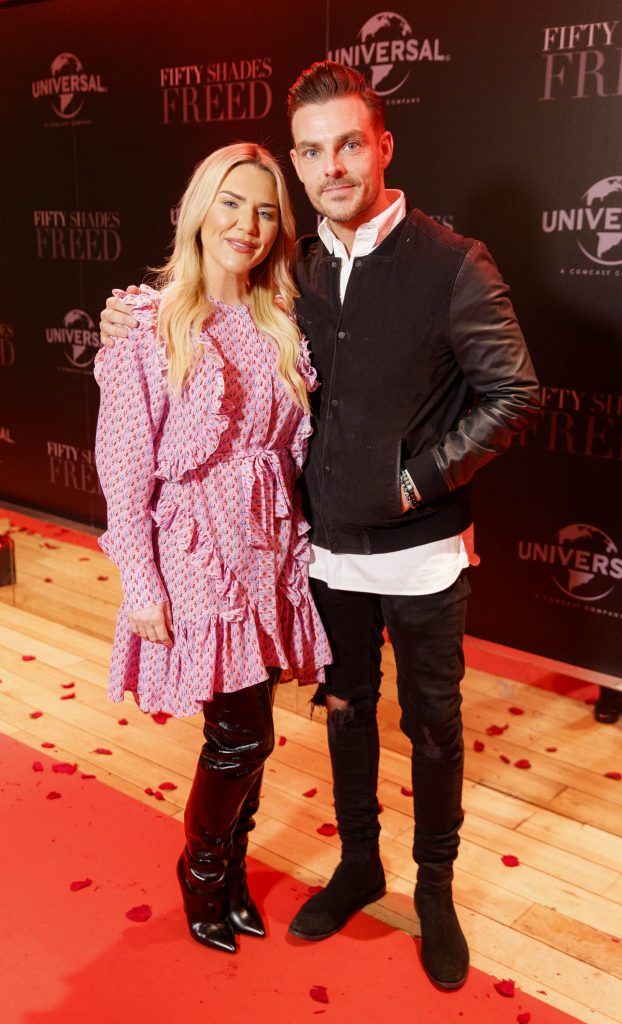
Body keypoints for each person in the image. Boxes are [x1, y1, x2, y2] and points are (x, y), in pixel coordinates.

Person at [99, 63, 539, 990]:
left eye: (349, 143)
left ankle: (433, 893)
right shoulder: (290, 278)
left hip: (416, 553)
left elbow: (514, 394)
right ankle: (358, 867)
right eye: (312, 151)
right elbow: (157, 401)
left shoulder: (453, 261)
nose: (332, 165)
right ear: (300, 165)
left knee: (433, 726)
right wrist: (123, 323)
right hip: (320, 555)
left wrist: (414, 481)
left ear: (383, 145)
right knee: (340, 715)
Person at [94, 142, 331, 956]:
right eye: (232, 203)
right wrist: (142, 582)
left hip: (267, 545)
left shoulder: (279, 321)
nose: (249, 224)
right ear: (200, 210)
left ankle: (228, 874)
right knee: (241, 734)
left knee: (254, 723)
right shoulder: (148, 322)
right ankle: (200, 872)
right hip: (195, 549)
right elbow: (121, 467)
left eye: (266, 210)